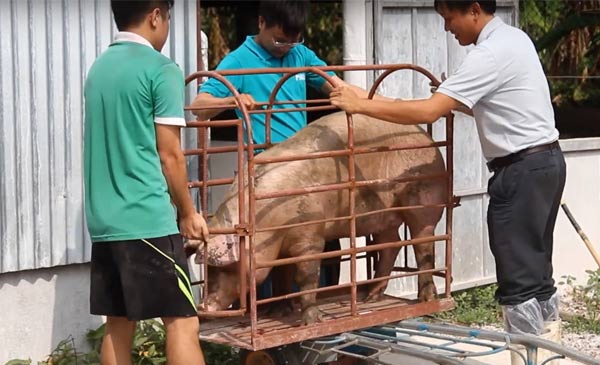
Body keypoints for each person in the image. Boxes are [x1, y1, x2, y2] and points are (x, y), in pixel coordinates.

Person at [330, 0, 566, 336]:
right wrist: (364, 98)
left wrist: (362, 107)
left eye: (448, 18)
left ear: (473, 10)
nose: (446, 27)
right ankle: (547, 350)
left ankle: (528, 351)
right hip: (547, 163)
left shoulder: (488, 55)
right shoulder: (515, 39)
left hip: (521, 171)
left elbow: (429, 112)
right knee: (537, 270)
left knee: (520, 278)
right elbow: (490, 107)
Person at [192, 0, 373, 296]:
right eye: (279, 40)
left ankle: (321, 313)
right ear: (261, 23)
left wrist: (384, 105)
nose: (285, 47)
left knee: (322, 244)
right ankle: (268, 325)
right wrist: (232, 100)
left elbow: (340, 89)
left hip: (308, 173)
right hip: (266, 180)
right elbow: (200, 107)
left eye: (293, 40)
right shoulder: (238, 61)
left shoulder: (300, 55)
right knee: (266, 256)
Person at [83, 1, 209, 364]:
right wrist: (187, 213)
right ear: (156, 15)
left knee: (118, 325)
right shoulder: (160, 69)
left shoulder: (99, 69)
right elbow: (169, 154)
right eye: (168, 18)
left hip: (105, 223)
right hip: (146, 219)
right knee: (183, 322)